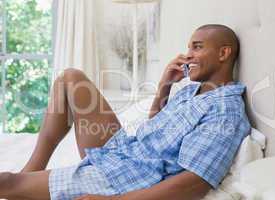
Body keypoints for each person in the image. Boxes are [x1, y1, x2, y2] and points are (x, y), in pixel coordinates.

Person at [0, 24, 250, 200]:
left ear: (223, 53)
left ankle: (23, 184)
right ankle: (32, 170)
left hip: (126, 178)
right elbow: (154, 126)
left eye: (197, 47)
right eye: (189, 48)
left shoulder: (224, 111)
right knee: (70, 79)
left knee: (8, 183)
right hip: (126, 150)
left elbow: (195, 182)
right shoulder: (191, 91)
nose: (188, 55)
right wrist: (165, 85)